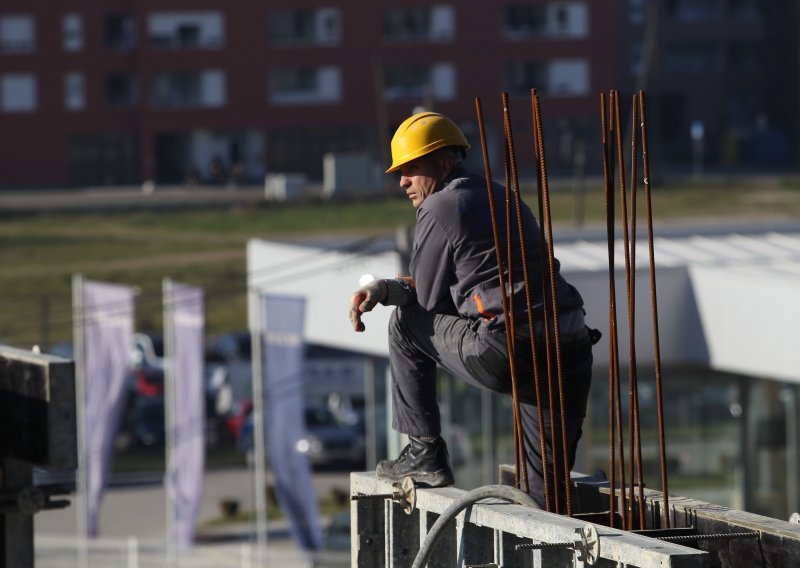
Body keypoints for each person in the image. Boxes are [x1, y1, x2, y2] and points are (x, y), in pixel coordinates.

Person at [348, 111, 597, 510]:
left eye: (411, 168)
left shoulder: (439, 207)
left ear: (444, 163)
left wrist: (386, 290)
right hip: (569, 345)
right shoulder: (503, 194)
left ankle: (424, 451)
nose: (403, 181)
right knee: (545, 495)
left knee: (405, 324)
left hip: (509, 347)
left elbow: (428, 304)